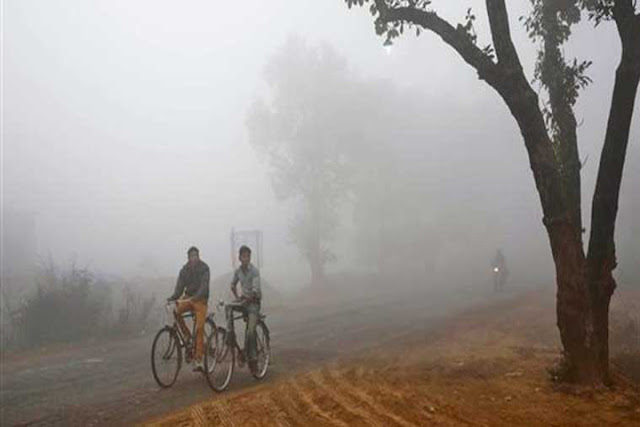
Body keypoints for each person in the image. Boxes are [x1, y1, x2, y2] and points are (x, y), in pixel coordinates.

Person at [168, 246, 210, 371]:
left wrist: (196, 297)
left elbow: (204, 286)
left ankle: (198, 360)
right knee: (175, 311)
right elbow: (179, 288)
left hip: (200, 300)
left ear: (199, 256)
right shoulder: (184, 270)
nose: (193, 258)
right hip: (188, 298)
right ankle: (187, 335)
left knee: (199, 327)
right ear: (188, 258)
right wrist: (173, 298)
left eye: (195, 255)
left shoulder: (204, 268)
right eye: (191, 256)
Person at [228, 245, 262, 373]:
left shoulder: (254, 271)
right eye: (243, 256)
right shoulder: (238, 271)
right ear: (239, 258)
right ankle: (230, 336)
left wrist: (249, 297)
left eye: (248, 256)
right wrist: (237, 296)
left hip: (254, 304)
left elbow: (256, 290)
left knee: (250, 332)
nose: (246, 258)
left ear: (250, 257)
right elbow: (232, 284)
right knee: (228, 308)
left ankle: (253, 359)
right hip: (244, 302)